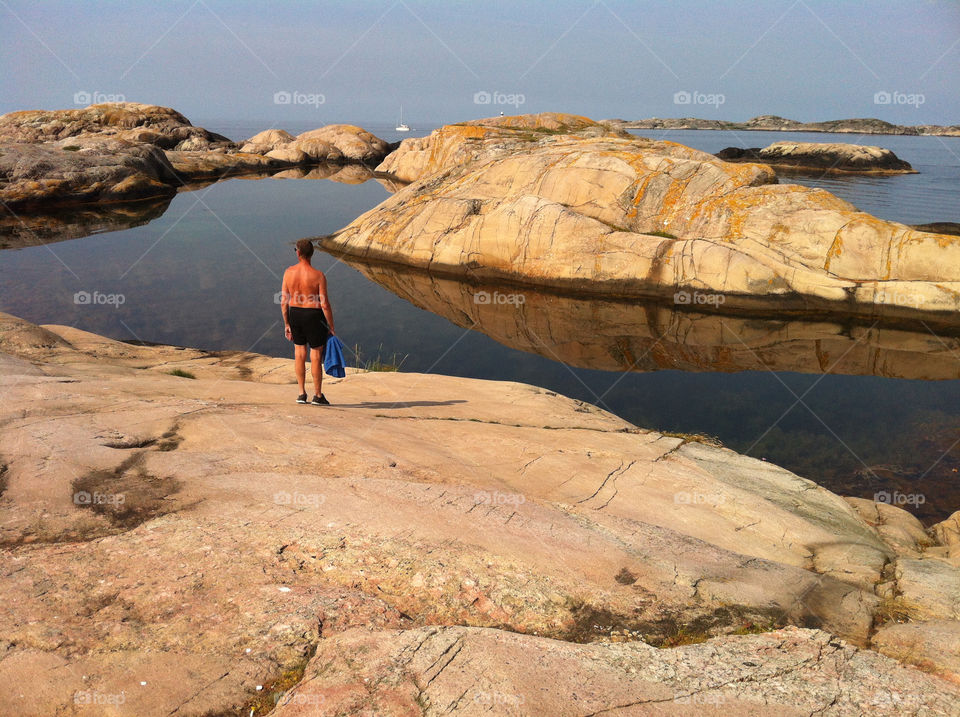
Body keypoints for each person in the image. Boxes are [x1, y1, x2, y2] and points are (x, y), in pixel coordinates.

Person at [280, 238, 335, 405]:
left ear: (298, 253)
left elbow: (284, 301)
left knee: (299, 352)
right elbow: (324, 303)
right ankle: (318, 395)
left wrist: (287, 323)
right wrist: (331, 326)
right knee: (316, 354)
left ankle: (301, 393)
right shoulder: (318, 275)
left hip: (295, 313)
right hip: (314, 315)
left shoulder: (288, 272)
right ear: (312, 253)